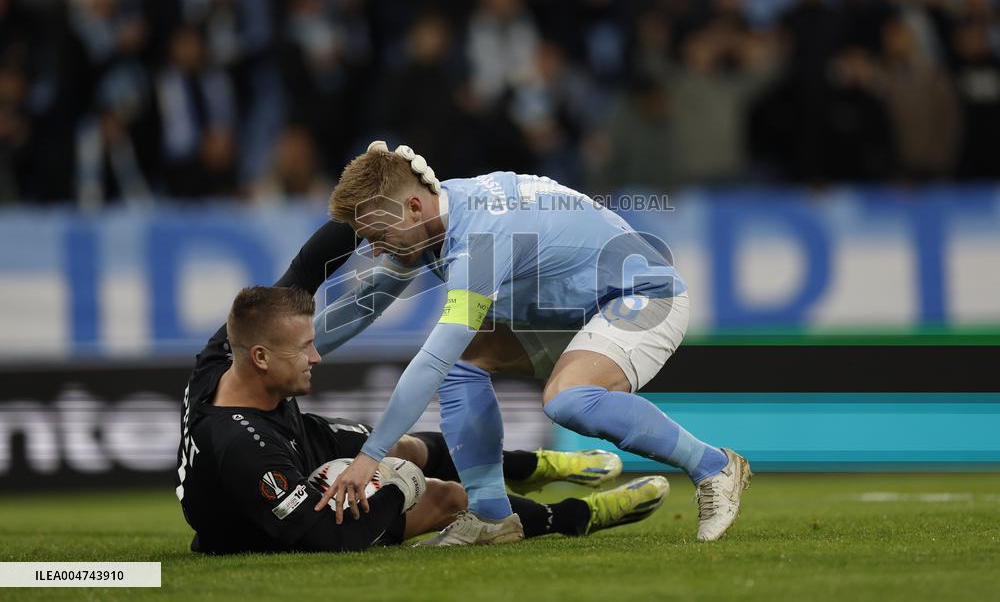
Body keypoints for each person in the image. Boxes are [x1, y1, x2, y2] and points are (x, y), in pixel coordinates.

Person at [314, 141, 751, 545]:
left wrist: (370, 456)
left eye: (376, 237)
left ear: (412, 207)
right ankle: (490, 515)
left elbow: (432, 359)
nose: (373, 251)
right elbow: (360, 307)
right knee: (464, 364)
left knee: (566, 399)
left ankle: (714, 465)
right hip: (576, 313)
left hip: (644, 298)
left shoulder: (479, 238)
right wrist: (282, 355)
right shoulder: (434, 217)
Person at [176, 255, 670, 553]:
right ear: (260, 358)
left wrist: (359, 210)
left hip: (295, 437)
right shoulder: (245, 450)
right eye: (303, 349)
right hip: (262, 530)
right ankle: (579, 516)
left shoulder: (218, 362)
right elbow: (331, 541)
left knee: (407, 444)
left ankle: (536, 464)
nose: (317, 356)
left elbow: (304, 268)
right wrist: (400, 489)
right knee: (447, 496)